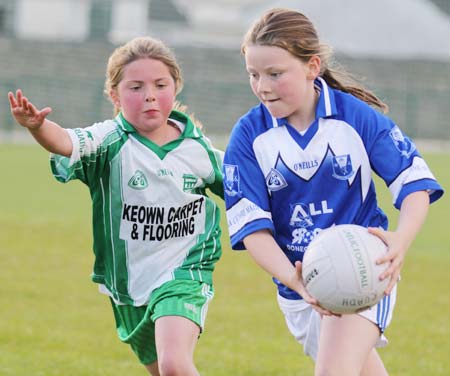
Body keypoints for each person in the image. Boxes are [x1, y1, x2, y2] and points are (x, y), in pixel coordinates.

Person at [223, 8, 443, 376]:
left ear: (312, 66)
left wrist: (400, 241)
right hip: (299, 291)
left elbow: (414, 182)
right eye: (254, 74)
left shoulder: (353, 117)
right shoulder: (249, 136)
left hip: (362, 270)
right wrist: (295, 279)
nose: (263, 86)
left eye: (275, 74)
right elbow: (253, 231)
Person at [9, 36, 224, 376]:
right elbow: (66, 141)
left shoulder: (199, 149)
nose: (149, 94)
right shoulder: (108, 140)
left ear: (176, 87)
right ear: (114, 95)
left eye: (160, 84)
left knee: (175, 365)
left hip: (185, 272)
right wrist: (38, 127)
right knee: (161, 370)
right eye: (136, 87)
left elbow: (243, 192)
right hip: (127, 283)